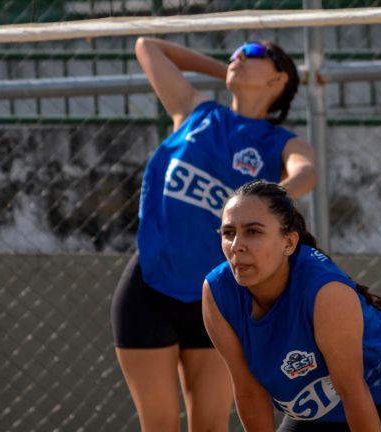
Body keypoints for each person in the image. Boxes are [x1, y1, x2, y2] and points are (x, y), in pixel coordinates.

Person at [110, 38, 316, 432]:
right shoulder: (195, 111)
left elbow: (307, 171)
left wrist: (271, 198)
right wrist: (226, 72)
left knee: (209, 424)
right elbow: (147, 47)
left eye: (253, 52)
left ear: (279, 77)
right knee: (159, 425)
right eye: (235, 52)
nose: (238, 55)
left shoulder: (281, 142)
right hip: (149, 289)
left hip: (219, 297)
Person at [202, 179, 381, 432]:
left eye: (253, 231)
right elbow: (249, 393)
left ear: (289, 243)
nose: (237, 246)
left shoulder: (325, 292)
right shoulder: (217, 292)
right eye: (228, 233)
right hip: (320, 410)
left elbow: (353, 393)